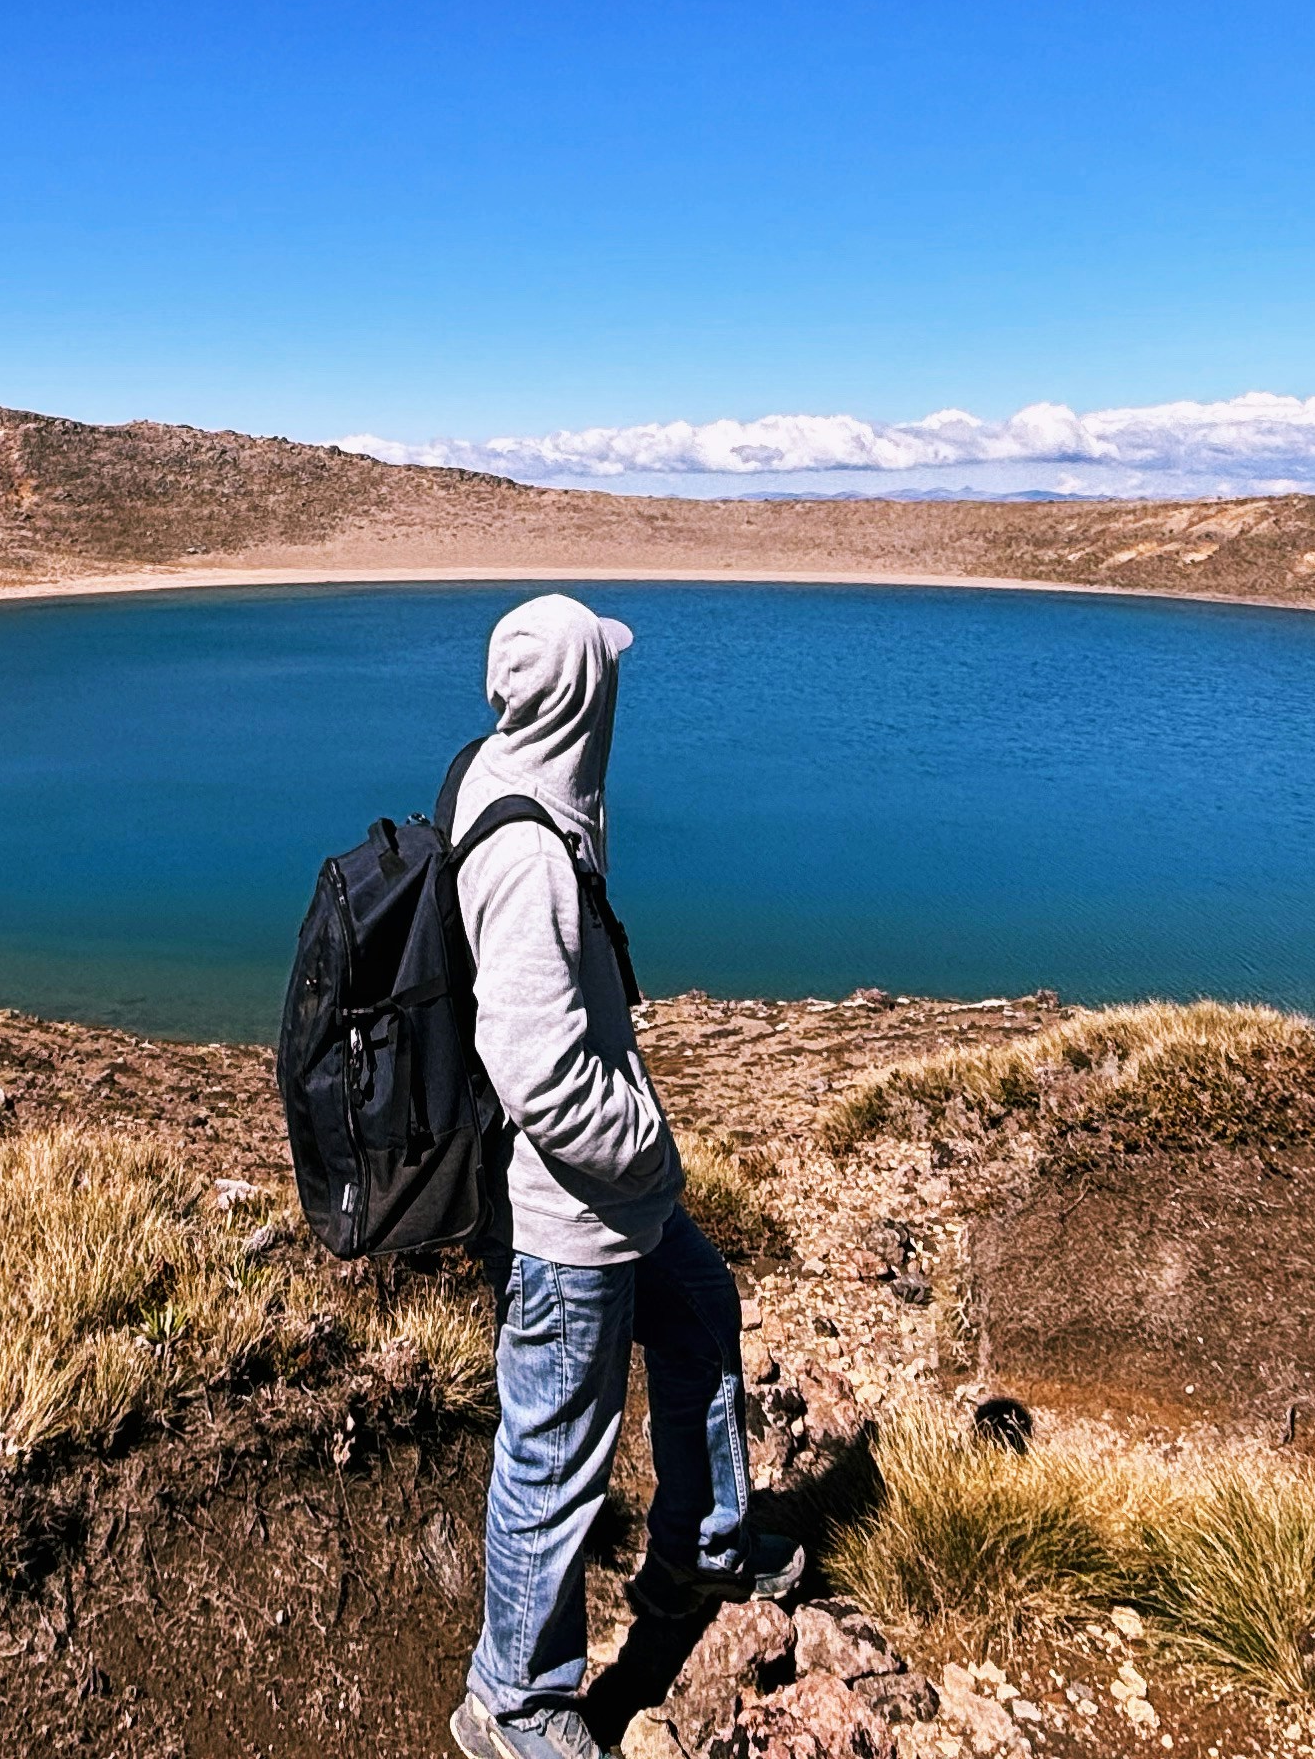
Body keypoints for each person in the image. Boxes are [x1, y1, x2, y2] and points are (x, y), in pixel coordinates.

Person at [449, 593, 802, 1759]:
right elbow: (540, 1075)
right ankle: (514, 1701)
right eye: (608, 677)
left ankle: (704, 1541)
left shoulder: (520, 779)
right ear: (580, 697)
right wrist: (650, 1146)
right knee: (554, 1458)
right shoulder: (525, 855)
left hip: (616, 1204)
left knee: (701, 1311)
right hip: (570, 1217)